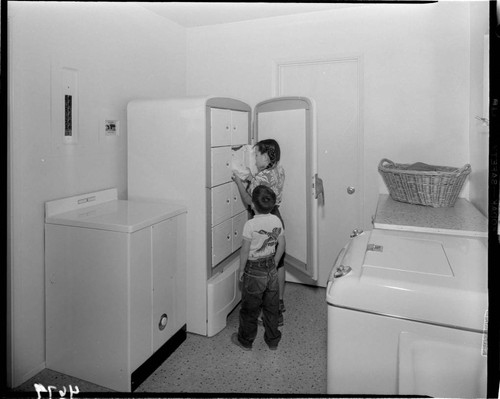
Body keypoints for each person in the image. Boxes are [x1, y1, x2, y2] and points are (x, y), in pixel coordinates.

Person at [232, 139, 287, 325]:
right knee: (277, 263)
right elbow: (267, 188)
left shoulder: (259, 178)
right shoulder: (279, 170)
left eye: (256, 155)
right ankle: (278, 304)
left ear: (265, 156)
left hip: (262, 219)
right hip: (276, 216)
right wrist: (252, 180)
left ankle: (260, 306)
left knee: (259, 259)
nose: (254, 159)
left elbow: (250, 200)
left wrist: (239, 182)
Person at [231, 185, 285, 351]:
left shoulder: (250, 224)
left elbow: (245, 250)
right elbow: (281, 245)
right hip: (271, 267)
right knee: (271, 307)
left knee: (250, 309)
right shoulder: (276, 220)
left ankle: (245, 341)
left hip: (254, 269)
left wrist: (241, 270)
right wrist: (274, 263)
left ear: (253, 205)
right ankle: (273, 340)